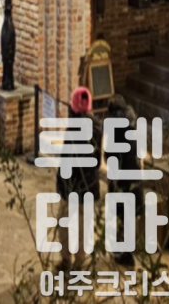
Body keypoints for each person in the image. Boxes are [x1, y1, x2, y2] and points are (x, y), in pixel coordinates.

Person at [57, 87, 102, 271]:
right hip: (89, 184)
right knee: (84, 224)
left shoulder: (73, 129)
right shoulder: (97, 127)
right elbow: (97, 160)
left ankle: (66, 259)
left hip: (72, 184)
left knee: (64, 221)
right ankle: (80, 261)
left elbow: (67, 159)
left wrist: (62, 184)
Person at [105, 94, 142, 266]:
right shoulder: (132, 125)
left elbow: (110, 156)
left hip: (120, 179)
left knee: (120, 215)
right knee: (129, 216)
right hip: (134, 179)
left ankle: (121, 253)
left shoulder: (115, 130)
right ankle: (128, 251)